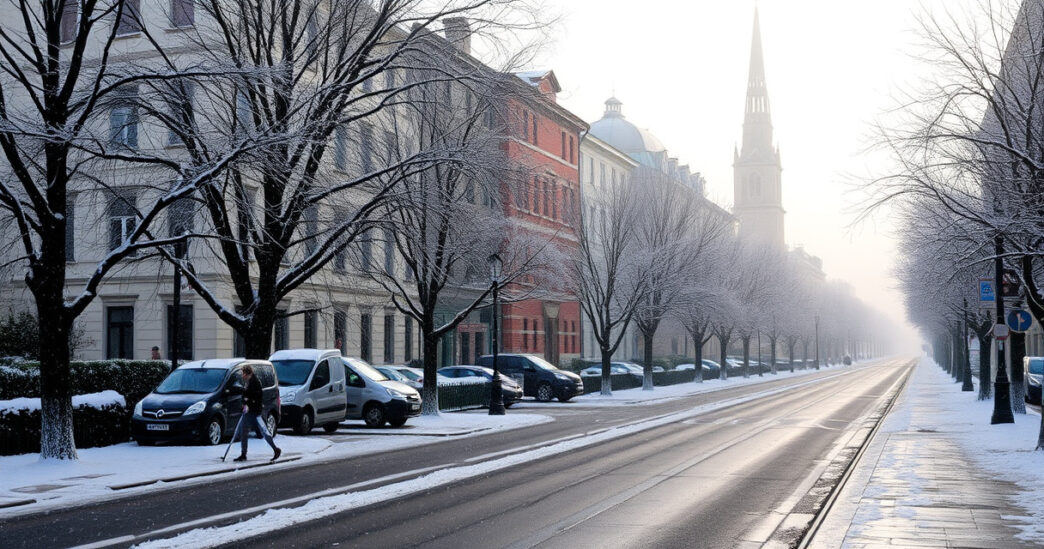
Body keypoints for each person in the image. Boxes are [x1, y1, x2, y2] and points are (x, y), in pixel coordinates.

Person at [231, 365, 281, 462]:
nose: (243, 376)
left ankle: (275, 449)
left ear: (248, 373)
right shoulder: (248, 382)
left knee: (263, 432)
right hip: (248, 412)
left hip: (254, 412)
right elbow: (245, 395)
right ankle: (243, 454)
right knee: (243, 432)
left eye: (244, 374)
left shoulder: (255, 383)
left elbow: (256, 398)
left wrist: (248, 403)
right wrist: (244, 403)